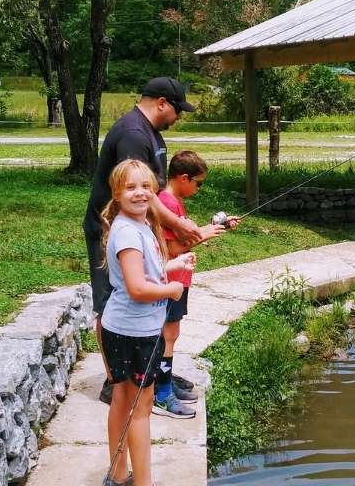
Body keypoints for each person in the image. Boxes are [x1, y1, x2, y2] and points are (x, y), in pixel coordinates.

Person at [84, 77, 202, 404]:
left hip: (140, 231)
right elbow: (141, 193)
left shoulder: (149, 132)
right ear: (162, 103)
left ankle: (151, 369)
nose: (178, 117)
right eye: (178, 110)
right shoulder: (134, 135)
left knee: (146, 297)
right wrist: (178, 224)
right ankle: (114, 381)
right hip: (112, 232)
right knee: (110, 302)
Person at [99, 159, 197, 486]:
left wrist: (173, 264)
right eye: (130, 187)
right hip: (133, 333)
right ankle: (142, 482)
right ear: (116, 194)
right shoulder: (128, 232)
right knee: (139, 410)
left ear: (154, 191)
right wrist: (171, 289)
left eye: (145, 186)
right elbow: (138, 288)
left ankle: (119, 474)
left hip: (126, 329)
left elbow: (144, 273)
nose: (140, 193)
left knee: (123, 401)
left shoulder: (138, 226)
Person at [153, 151, 241, 418]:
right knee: (168, 335)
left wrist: (215, 227)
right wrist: (205, 237)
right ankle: (162, 394)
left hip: (179, 281)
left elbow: (185, 235)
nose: (199, 188)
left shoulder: (173, 201)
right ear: (183, 178)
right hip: (171, 281)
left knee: (172, 333)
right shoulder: (167, 203)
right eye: (198, 183)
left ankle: (164, 385)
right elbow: (170, 249)